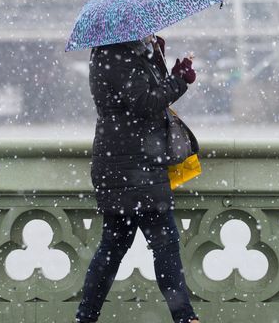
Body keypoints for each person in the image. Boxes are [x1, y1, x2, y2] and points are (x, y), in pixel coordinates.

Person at [75, 34, 198, 323]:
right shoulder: (118, 56)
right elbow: (144, 103)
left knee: (113, 246)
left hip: (122, 162)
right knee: (164, 244)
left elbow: (140, 97)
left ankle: (85, 318)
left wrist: (157, 58)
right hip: (136, 165)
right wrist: (179, 80)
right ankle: (185, 318)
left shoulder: (113, 53)